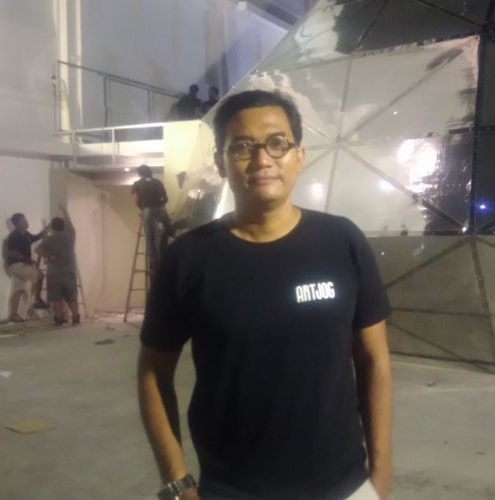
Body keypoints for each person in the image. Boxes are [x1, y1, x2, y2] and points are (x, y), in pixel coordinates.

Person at [138, 90, 393, 500]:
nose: (262, 159)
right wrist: (177, 482)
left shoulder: (342, 241)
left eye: (277, 143)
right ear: (221, 162)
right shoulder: (189, 258)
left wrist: (380, 477)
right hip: (232, 490)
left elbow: (374, 361)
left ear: (299, 156)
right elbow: (153, 371)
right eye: (242, 146)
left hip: (345, 487)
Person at [37, 204, 80, 326]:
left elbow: (38, 250)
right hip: (69, 271)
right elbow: (70, 223)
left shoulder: (49, 240)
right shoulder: (70, 237)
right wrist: (64, 211)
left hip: (54, 273)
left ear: (53, 228)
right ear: (63, 227)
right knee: (72, 298)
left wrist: (48, 257)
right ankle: (75, 317)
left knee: (57, 298)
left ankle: (59, 318)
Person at [4, 213, 49, 322]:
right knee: (40, 276)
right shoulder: (14, 236)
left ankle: (14, 314)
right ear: (18, 223)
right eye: (24, 220)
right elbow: (11, 253)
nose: (26, 221)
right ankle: (36, 301)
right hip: (17, 265)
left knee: (18, 290)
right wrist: (27, 259)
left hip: (18, 266)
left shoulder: (25, 234)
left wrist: (47, 228)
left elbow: (36, 237)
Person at [131, 164, 170, 273]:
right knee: (160, 238)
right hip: (160, 212)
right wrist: (159, 206)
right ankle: (162, 262)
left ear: (140, 173)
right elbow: (166, 199)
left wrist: (143, 209)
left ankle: (153, 264)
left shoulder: (138, 184)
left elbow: (136, 200)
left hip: (147, 212)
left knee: (149, 238)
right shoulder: (158, 182)